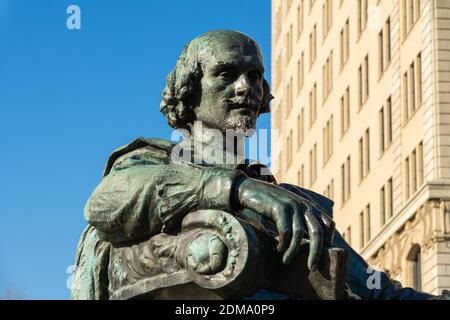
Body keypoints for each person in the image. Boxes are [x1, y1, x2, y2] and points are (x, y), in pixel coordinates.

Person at [72, 30, 444, 300]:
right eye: (226, 73)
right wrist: (239, 190)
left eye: (254, 76)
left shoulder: (295, 204)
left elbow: (376, 291)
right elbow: (103, 205)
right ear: (190, 90)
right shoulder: (150, 162)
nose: (245, 88)